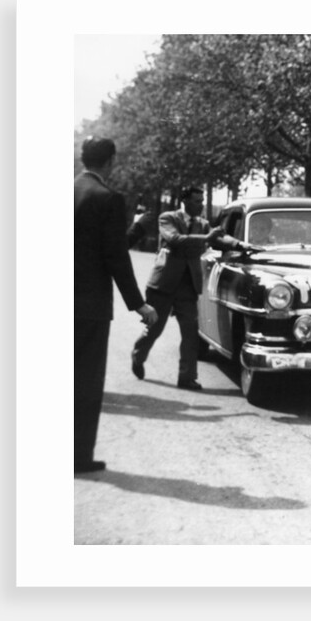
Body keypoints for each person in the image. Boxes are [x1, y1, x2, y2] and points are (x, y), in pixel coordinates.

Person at [75, 136, 158, 474]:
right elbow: (116, 258)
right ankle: (78, 456)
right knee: (86, 380)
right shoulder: (108, 199)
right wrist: (139, 305)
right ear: (109, 161)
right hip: (89, 305)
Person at [131, 187, 242, 390]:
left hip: (188, 286)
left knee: (191, 333)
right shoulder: (168, 218)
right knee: (155, 329)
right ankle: (138, 356)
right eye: (196, 201)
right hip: (163, 284)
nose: (200, 205)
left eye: (202, 201)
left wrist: (240, 245)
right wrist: (207, 239)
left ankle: (187, 378)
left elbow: (218, 239)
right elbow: (175, 240)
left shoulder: (203, 224)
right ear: (185, 202)